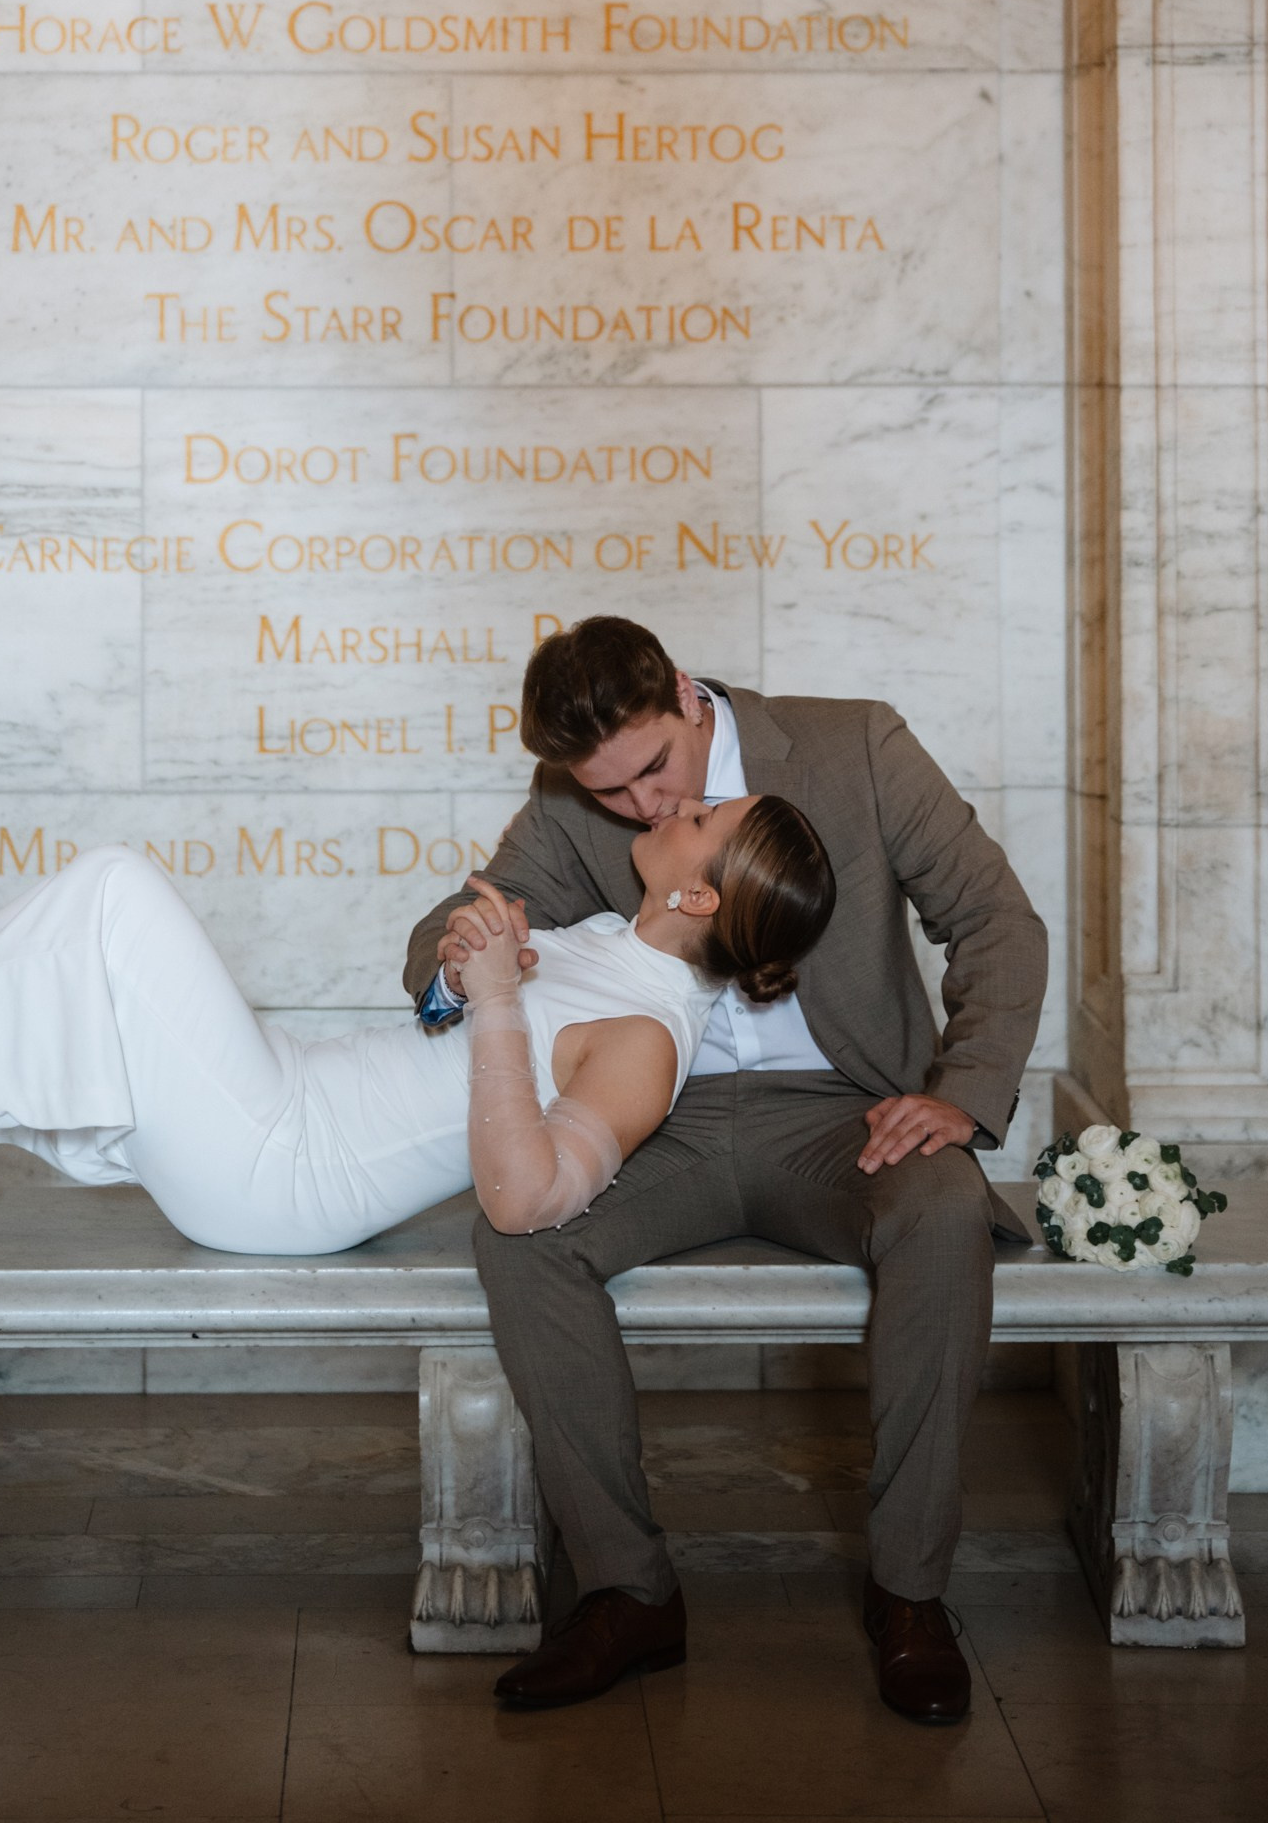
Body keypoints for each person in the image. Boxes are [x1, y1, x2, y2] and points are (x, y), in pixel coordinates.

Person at [405, 615, 1047, 1724]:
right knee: (523, 1237)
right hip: (665, 1119)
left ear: (688, 696)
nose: (643, 808)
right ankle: (625, 1591)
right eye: (610, 794)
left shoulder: (854, 747)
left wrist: (958, 1093)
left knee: (941, 1215)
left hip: (846, 1113)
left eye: (655, 769)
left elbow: (994, 920)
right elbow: (435, 940)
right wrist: (466, 958)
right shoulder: (573, 804)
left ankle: (908, 1593)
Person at [0, 788, 835, 1272]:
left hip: (279, 1178)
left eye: (701, 816)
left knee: (106, 888)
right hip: (287, 1095)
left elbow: (527, 1196)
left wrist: (505, 1001)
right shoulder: (602, 947)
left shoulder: (647, 1042)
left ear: (699, 897)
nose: (678, 801)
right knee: (63, 940)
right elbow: (441, 1040)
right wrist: (472, 977)